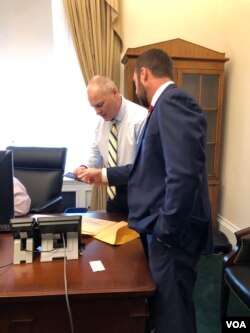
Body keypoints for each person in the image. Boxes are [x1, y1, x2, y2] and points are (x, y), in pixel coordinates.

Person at [77, 49, 213, 333]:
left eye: (135, 83)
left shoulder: (173, 102)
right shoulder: (161, 109)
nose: (135, 89)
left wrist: (165, 231)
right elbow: (149, 171)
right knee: (168, 306)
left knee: (173, 312)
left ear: (143, 73)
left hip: (172, 236)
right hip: (161, 229)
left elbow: (183, 176)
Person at [74, 75, 147, 213]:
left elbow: (143, 166)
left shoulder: (141, 119)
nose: (97, 112)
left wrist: (102, 174)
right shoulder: (101, 124)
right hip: (113, 195)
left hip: (139, 196)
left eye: (99, 105)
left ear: (114, 91)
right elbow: (95, 153)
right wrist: (85, 168)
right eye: (93, 107)